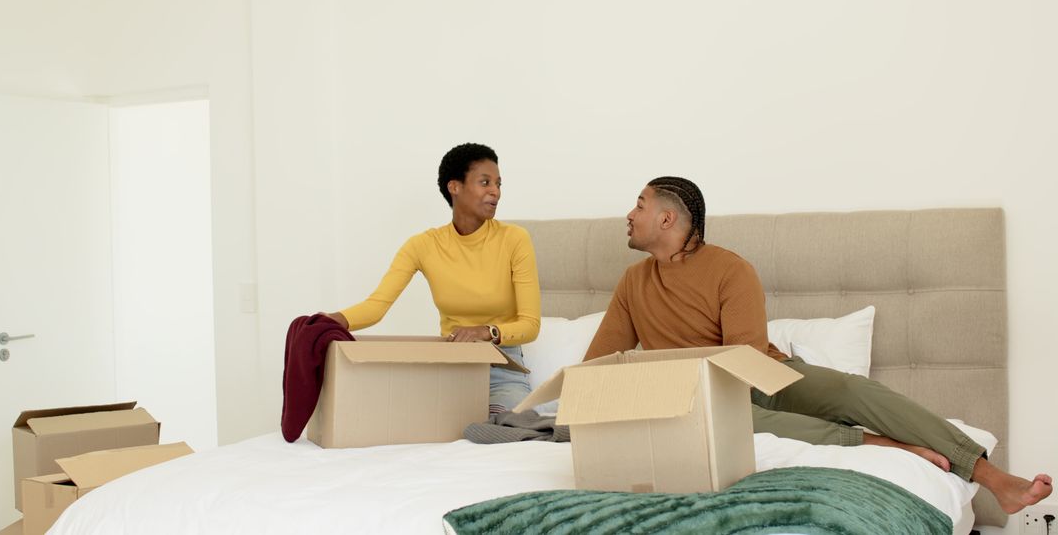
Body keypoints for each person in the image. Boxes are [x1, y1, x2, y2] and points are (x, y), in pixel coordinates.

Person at [582, 175, 1052, 514]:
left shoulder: (730, 270)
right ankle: (885, 444)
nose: (629, 215)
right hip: (698, 401)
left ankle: (992, 476)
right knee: (747, 423)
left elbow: (746, 363)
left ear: (666, 218)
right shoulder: (633, 282)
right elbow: (596, 366)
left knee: (853, 391)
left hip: (762, 376)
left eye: (639, 205)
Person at [325, 143, 539, 414]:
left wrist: (485, 331)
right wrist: (325, 321)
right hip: (451, 366)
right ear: (455, 187)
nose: (495, 191)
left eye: (498, 183)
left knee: (512, 422)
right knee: (409, 419)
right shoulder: (423, 245)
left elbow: (530, 325)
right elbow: (376, 307)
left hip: (503, 368)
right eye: (485, 182)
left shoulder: (514, 239)